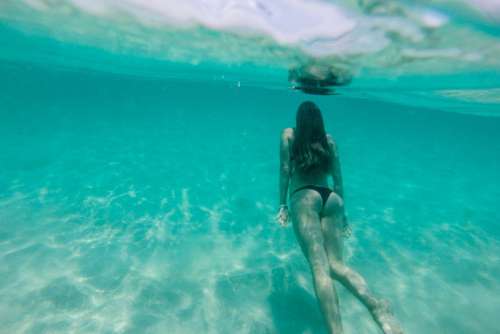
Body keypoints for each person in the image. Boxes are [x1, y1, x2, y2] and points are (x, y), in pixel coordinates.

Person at [277, 101, 403, 334]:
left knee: (319, 267)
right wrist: (343, 216)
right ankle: (377, 306)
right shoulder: (329, 141)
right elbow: (338, 179)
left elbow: (285, 170)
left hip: (304, 198)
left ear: (299, 120)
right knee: (336, 265)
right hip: (332, 199)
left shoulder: (288, 136)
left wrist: (283, 204)